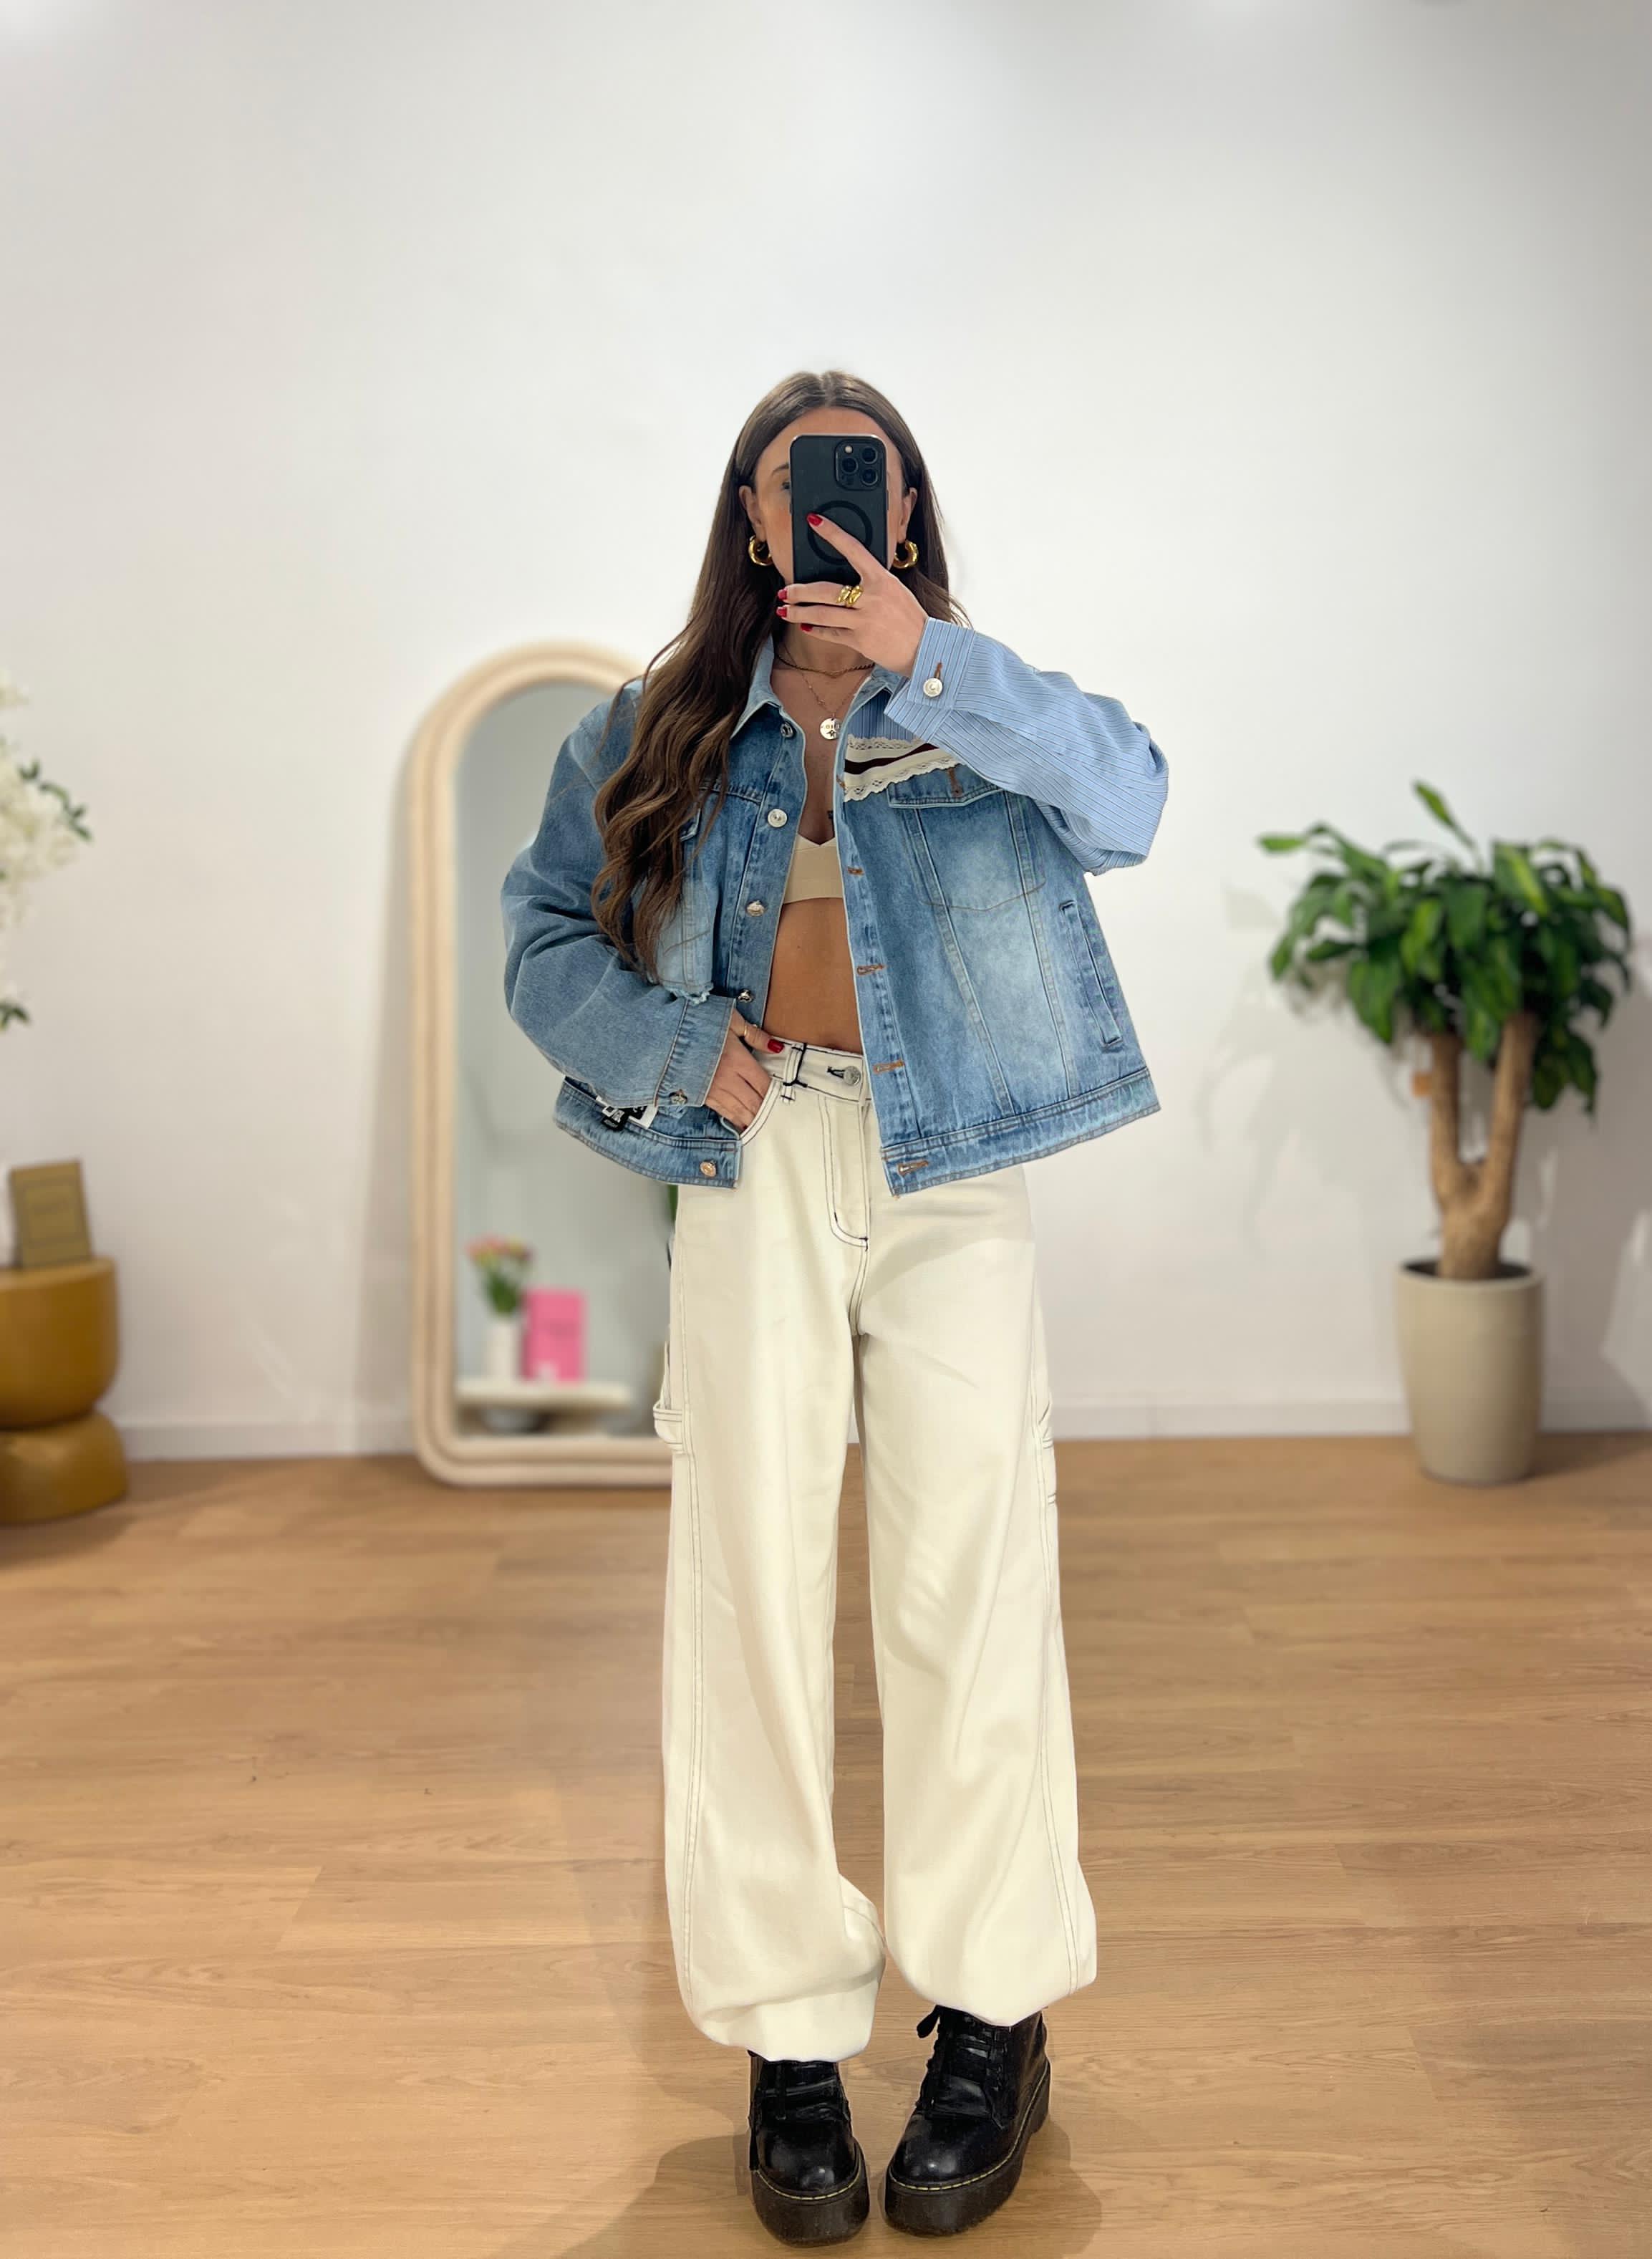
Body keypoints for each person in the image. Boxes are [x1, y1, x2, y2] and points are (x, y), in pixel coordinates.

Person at [501, 371, 1169, 2242]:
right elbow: (540, 940)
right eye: (796, 490)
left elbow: (1132, 797)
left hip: (952, 1159)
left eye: (860, 487)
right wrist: (670, 1045)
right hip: (755, 1157)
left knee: (974, 1579)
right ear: (746, 516)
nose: (827, 520)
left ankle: (992, 2015)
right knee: (749, 1582)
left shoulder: (967, 691)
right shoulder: (653, 724)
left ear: (904, 510)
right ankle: (788, 2035)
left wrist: (925, 655)